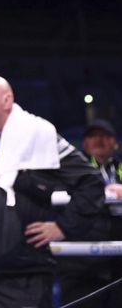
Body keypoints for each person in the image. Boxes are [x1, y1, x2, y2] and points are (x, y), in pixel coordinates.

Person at [0, 74, 106, 308]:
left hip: (24, 276)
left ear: (6, 100)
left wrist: (64, 227)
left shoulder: (38, 135)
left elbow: (91, 183)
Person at [56, 119, 122, 308]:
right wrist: (103, 190)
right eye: (93, 136)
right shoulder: (72, 168)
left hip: (117, 261)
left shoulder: (120, 167)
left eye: (105, 136)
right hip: (81, 264)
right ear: (84, 143)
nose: (99, 140)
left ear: (114, 142)